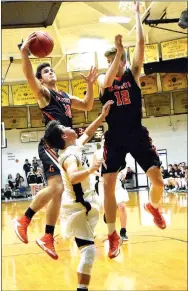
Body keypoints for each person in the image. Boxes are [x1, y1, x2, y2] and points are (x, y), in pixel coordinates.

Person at [13, 32, 98, 260]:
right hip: (51, 144)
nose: (51, 72)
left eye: (52, 69)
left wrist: (90, 85)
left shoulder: (65, 96)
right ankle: (24, 220)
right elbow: (29, 76)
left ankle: (47, 236)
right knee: (58, 188)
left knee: (58, 193)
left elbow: (89, 105)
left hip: (64, 146)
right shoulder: (44, 93)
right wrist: (24, 54)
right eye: (46, 71)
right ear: (42, 79)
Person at [97, 2, 166, 259]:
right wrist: (116, 52)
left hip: (136, 132)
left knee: (157, 181)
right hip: (114, 136)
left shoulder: (132, 73)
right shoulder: (106, 83)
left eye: (114, 59)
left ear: (124, 61)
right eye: (108, 60)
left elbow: (140, 45)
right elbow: (106, 79)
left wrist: (137, 16)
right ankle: (113, 235)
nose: (111, 63)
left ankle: (153, 206)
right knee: (107, 185)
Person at [43, 100, 113, 290]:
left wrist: (102, 116)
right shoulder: (69, 156)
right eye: (65, 126)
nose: (70, 125)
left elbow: (88, 133)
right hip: (78, 208)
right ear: (65, 135)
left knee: (88, 252)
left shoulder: (72, 146)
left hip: (86, 205)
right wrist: (91, 169)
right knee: (89, 252)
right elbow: (73, 177)